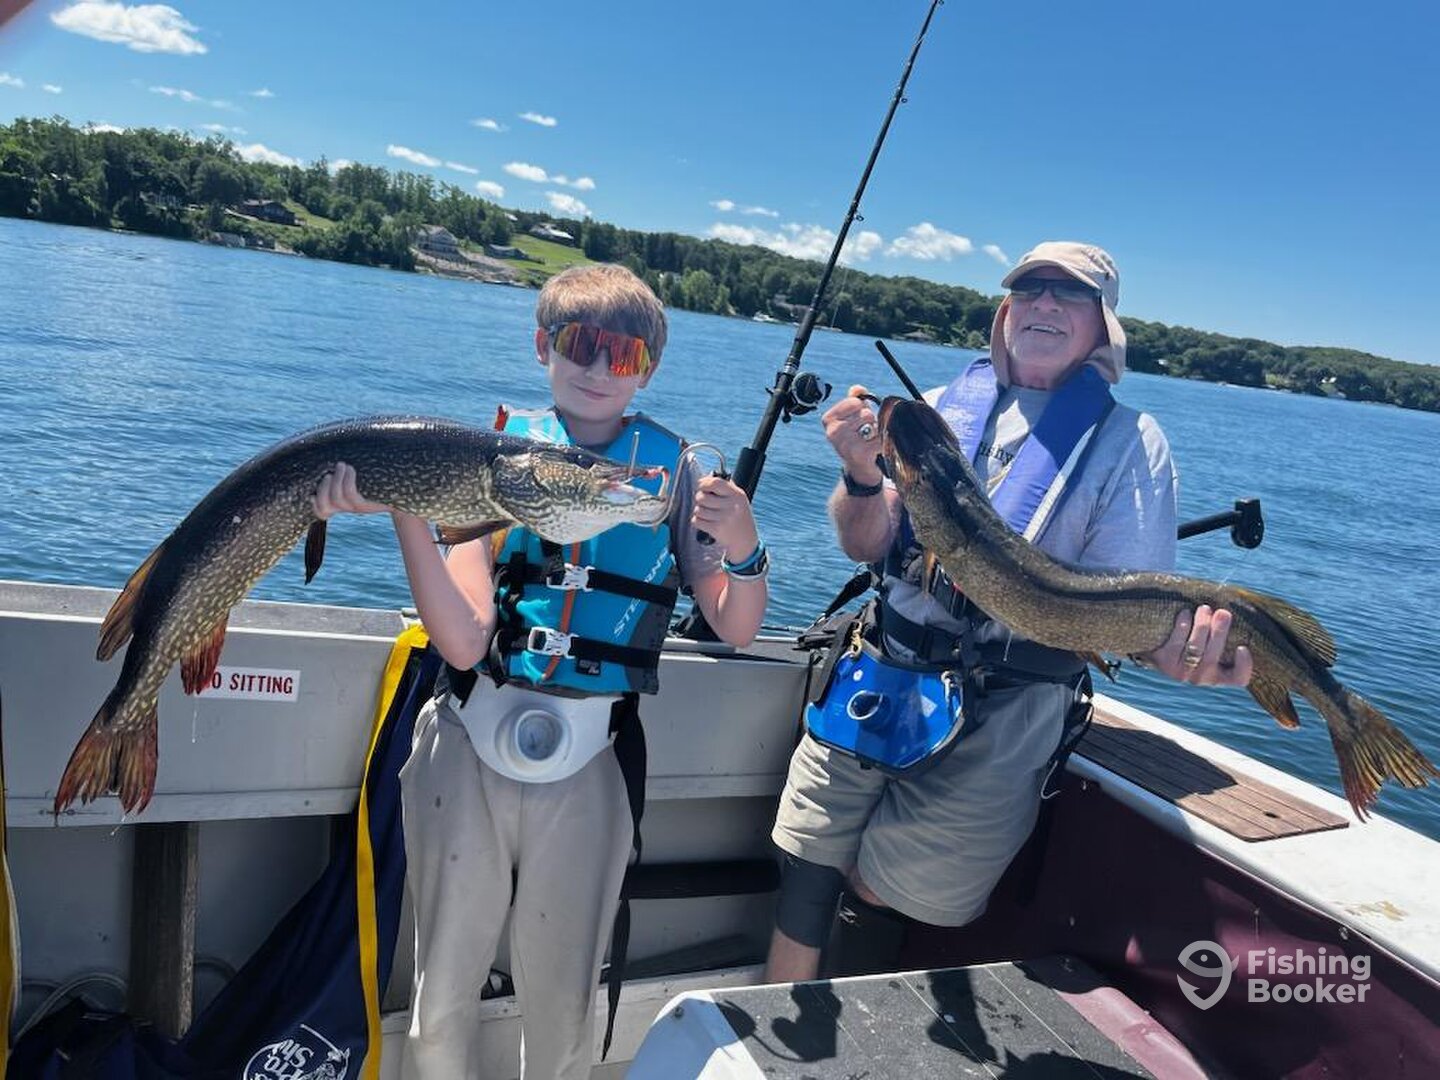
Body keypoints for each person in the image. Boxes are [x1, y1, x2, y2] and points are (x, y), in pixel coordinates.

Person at [314, 263, 768, 1079]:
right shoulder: (488, 456)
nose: (597, 368)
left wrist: (744, 546)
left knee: (564, 1008)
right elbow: (462, 642)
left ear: (648, 369)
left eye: (622, 354)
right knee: (439, 995)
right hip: (469, 739)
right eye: (579, 343)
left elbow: (736, 624)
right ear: (542, 347)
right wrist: (405, 510)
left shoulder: (676, 476)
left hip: (592, 757)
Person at [765, 241, 1254, 982]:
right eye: (1030, 289)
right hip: (880, 676)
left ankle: (852, 1015)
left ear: (1103, 326)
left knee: (882, 891)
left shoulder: (1131, 443)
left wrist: (1186, 654)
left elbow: (1125, 623)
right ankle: (778, 1023)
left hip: (1007, 708)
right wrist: (860, 478)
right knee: (803, 870)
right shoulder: (938, 409)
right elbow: (867, 545)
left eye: (1071, 293)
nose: (1046, 303)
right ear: (1005, 311)